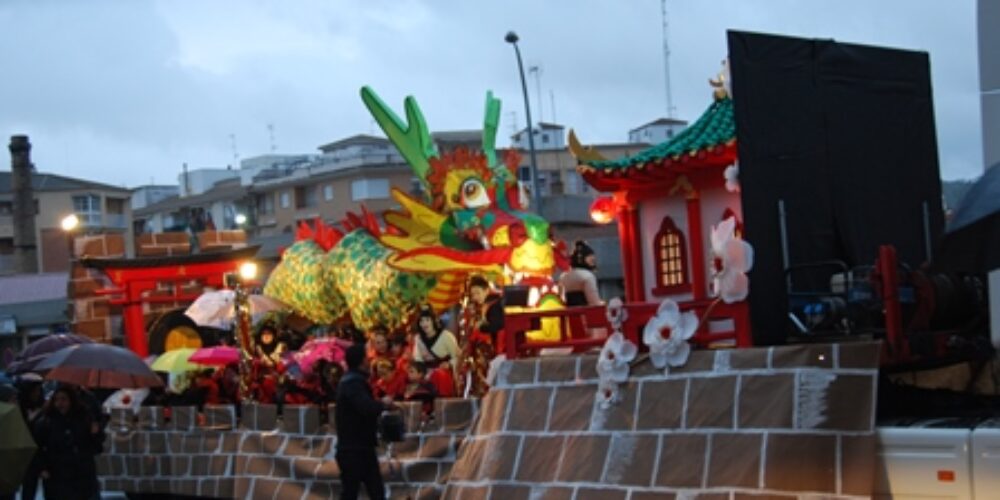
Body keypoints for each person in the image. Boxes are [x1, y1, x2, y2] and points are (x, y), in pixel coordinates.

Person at [335, 344, 392, 500]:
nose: (369, 361)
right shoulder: (353, 383)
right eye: (367, 358)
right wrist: (383, 403)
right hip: (354, 448)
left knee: (372, 491)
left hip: (359, 447)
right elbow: (366, 407)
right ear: (361, 361)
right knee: (354, 492)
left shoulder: (351, 381)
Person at [32, 385, 103, 500]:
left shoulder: (84, 419)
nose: (60, 403)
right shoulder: (46, 422)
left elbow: (96, 447)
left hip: (81, 473)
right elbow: (38, 447)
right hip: (56, 473)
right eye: (57, 399)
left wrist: (95, 434)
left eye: (63, 399)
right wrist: (42, 468)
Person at [411, 304, 461, 398]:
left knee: (439, 375)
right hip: (426, 372)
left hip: (444, 372)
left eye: (427, 320)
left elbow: (458, 357)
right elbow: (418, 360)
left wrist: (449, 364)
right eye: (421, 321)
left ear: (433, 321)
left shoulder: (446, 336)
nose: (424, 324)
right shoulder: (418, 339)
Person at [560, 240, 604, 307]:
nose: (593, 258)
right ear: (582, 258)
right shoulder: (587, 276)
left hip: (568, 314)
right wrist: (602, 304)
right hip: (585, 314)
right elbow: (594, 302)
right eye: (589, 256)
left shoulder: (563, 276)